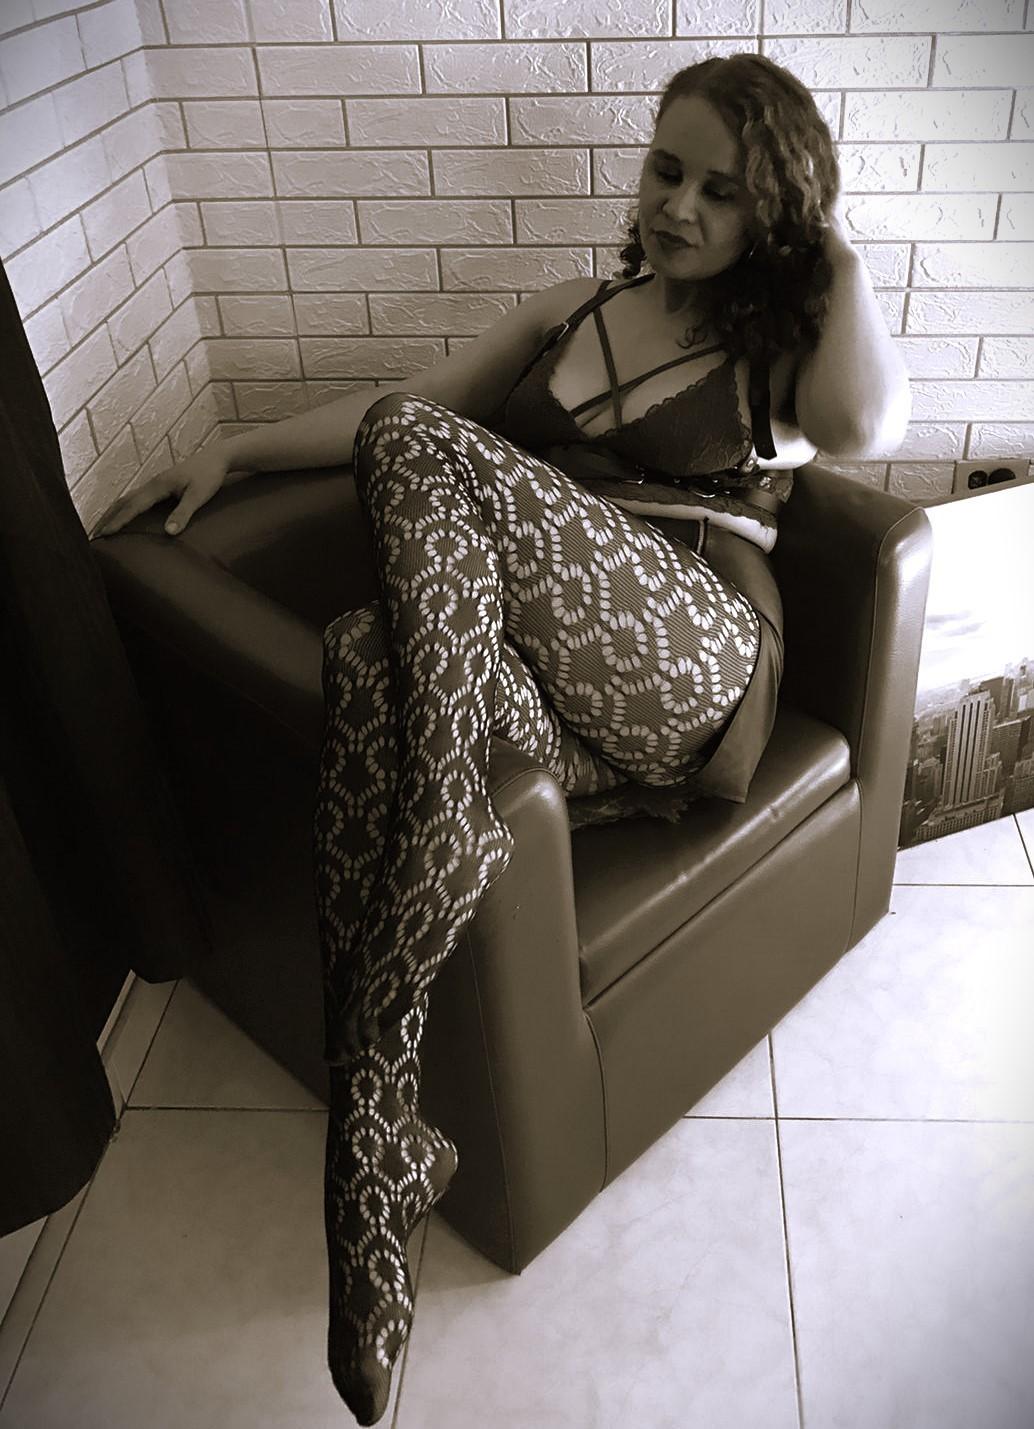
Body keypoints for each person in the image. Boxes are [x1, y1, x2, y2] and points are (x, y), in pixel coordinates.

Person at [93, 53, 910, 1424]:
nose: (679, 207)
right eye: (666, 171)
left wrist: (828, 245)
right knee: (371, 650)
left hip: (692, 656)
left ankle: (421, 881)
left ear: (769, 212)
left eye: (723, 191)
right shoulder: (565, 312)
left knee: (414, 448)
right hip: (545, 701)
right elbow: (398, 409)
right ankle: (384, 1136)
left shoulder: (778, 352)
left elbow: (866, 423)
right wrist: (234, 451)